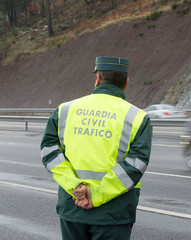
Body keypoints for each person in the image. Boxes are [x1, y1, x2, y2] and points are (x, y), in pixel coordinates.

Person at [40, 56, 152, 240]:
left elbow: (49, 152)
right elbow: (136, 164)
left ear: (98, 78)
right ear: (126, 83)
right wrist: (96, 195)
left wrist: (75, 186)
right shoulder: (138, 117)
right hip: (114, 212)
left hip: (73, 204)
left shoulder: (65, 110)